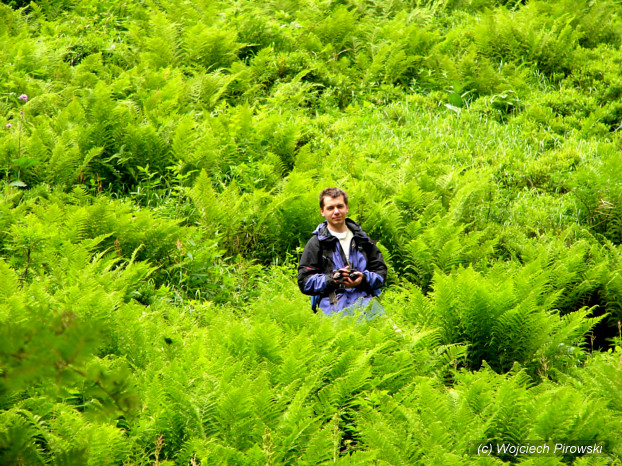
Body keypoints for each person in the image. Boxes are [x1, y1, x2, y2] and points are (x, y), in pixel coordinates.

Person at [298, 187, 387, 315]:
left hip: (366, 304)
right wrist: (332, 279)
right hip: (332, 307)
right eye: (330, 208)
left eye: (340, 206)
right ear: (322, 211)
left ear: (347, 208)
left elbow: (381, 273)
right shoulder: (316, 243)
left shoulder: (362, 239)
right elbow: (304, 282)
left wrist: (363, 279)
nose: (336, 212)